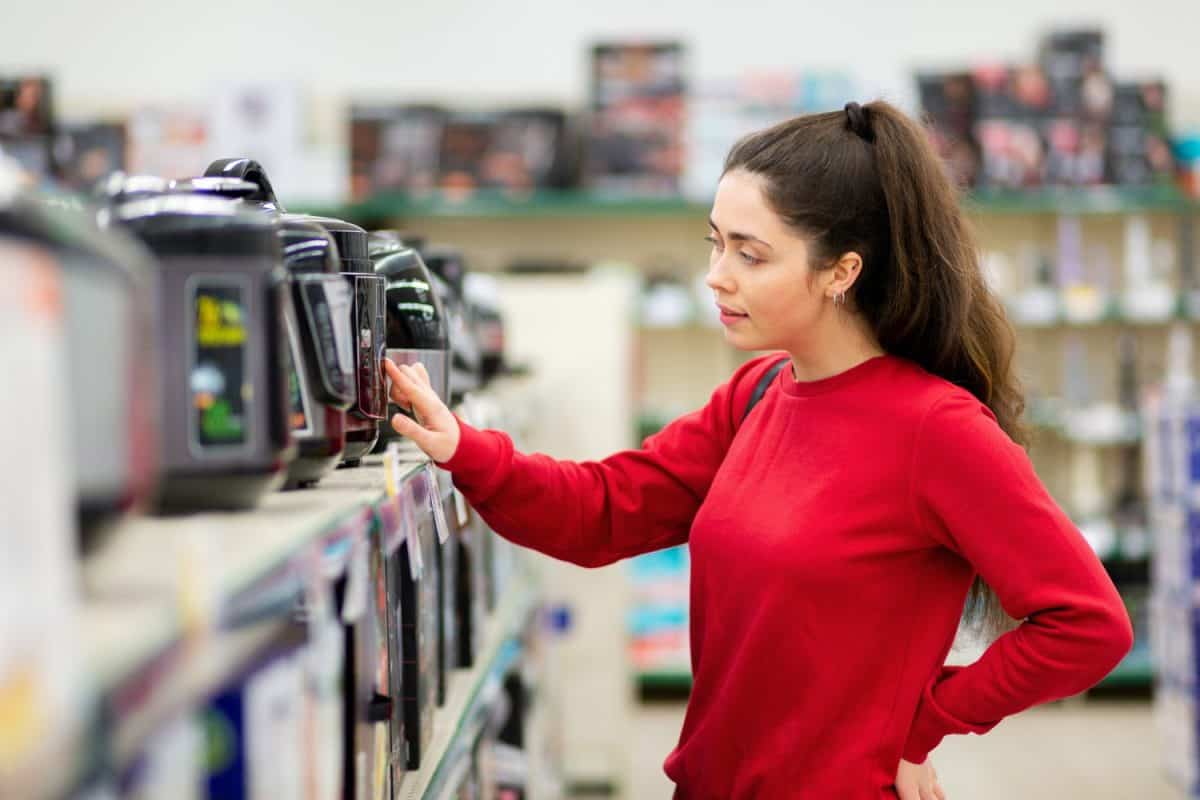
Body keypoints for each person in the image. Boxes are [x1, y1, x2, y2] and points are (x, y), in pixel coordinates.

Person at [381, 100, 1134, 800]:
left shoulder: (938, 429)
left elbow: (1088, 622)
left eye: (751, 254)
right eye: (716, 244)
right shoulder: (757, 394)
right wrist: (463, 448)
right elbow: (601, 512)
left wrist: (926, 721)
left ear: (842, 271)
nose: (717, 276)